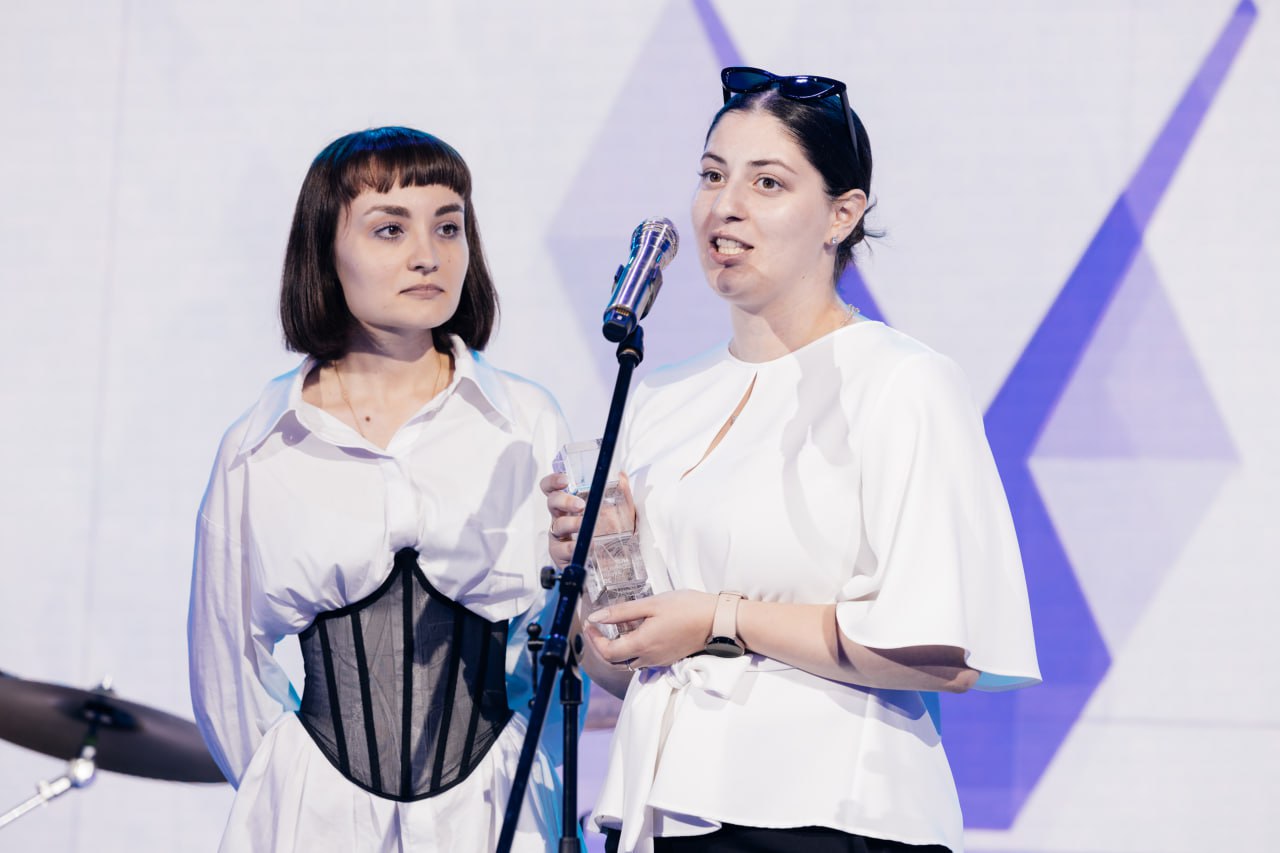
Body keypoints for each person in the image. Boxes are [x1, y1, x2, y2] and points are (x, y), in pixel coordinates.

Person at [544, 68, 1041, 853]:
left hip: (830, 815)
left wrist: (719, 618)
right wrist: (596, 572)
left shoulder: (901, 381)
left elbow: (940, 652)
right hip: (669, 813)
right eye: (713, 175)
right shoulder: (661, 394)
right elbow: (627, 667)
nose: (725, 206)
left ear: (843, 214)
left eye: (767, 182)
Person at [188, 126, 568, 852]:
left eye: (448, 227)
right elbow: (226, 667)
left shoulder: (526, 422)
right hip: (313, 821)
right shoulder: (260, 445)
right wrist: (296, 787)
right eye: (390, 229)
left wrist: (526, 769)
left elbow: (558, 645)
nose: (428, 254)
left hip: (495, 811)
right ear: (324, 252)